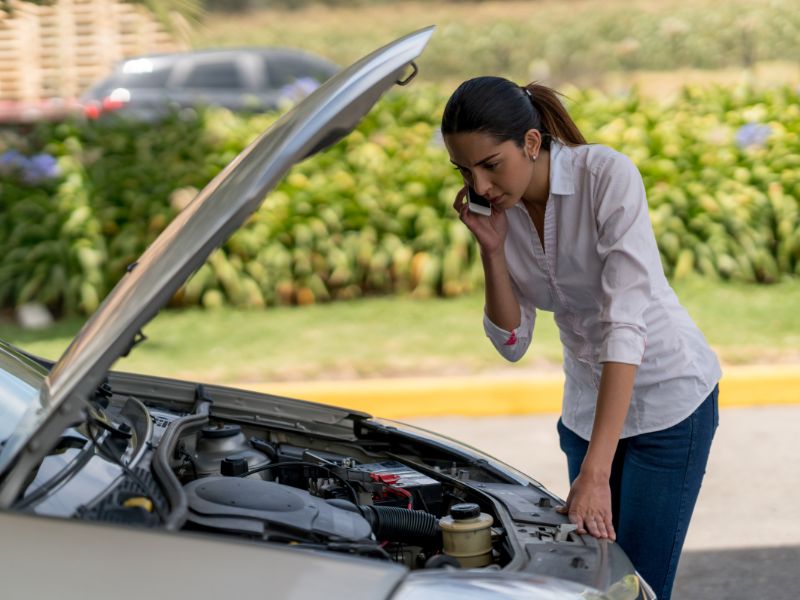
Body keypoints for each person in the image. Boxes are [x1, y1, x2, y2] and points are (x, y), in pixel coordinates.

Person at [441, 76, 721, 600]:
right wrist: (492, 250)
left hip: (669, 403)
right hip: (585, 413)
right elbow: (511, 344)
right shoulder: (500, 212)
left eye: (490, 165)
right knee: (593, 586)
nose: (479, 187)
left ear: (530, 142)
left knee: (636, 588)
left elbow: (624, 326)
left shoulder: (606, 176)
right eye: (465, 170)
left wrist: (594, 472)